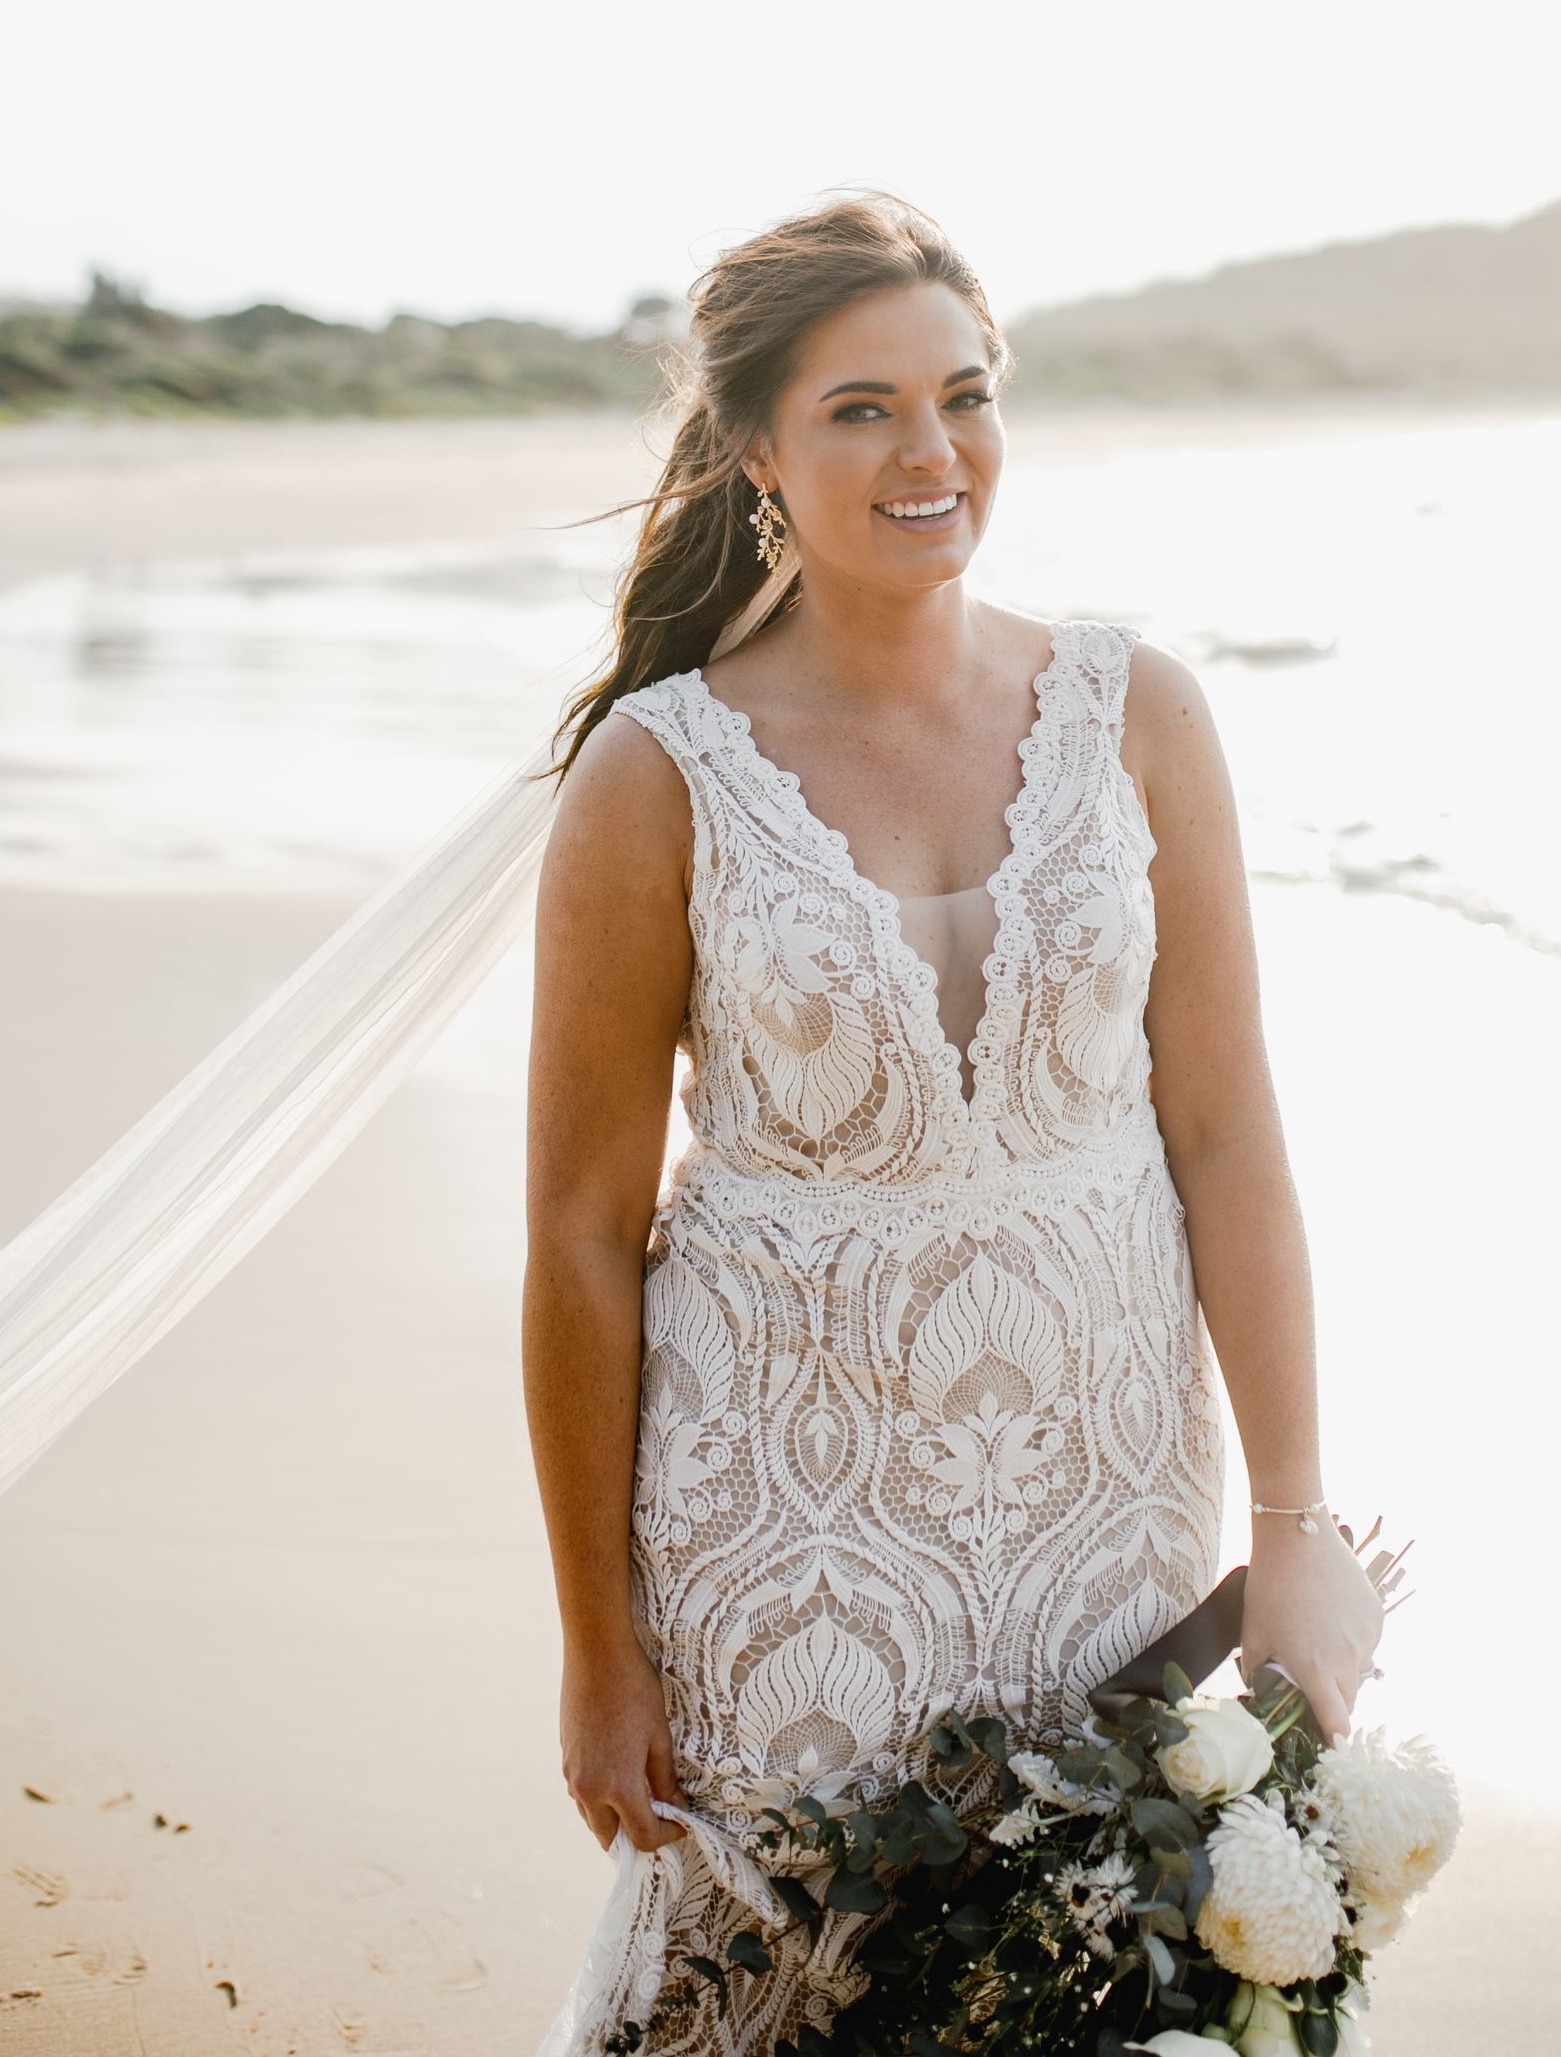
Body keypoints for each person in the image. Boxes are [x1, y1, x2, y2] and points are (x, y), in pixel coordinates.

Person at [522, 192, 1385, 2055]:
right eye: (863, 409)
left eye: (965, 395)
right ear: (756, 447)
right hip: (783, 1520)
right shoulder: (658, 777)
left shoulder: (1137, 712)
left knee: (1101, 1980)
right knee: (786, 1991)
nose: (933, 451)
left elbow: (1228, 1136)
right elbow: (584, 1236)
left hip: (1104, 1501)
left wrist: (1292, 1516)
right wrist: (599, 1644)